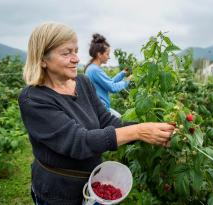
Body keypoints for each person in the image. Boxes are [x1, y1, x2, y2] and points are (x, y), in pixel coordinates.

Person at [18, 22, 175, 205]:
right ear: (42, 59)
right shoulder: (33, 99)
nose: (76, 58)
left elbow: (106, 120)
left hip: (93, 183)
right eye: (66, 52)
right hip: (58, 194)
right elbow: (79, 142)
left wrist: (153, 130)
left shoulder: (83, 83)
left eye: (75, 51)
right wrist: (138, 131)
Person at [84, 34, 130, 114]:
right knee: (121, 120)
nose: (109, 57)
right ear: (99, 54)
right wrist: (126, 81)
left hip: (98, 109)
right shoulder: (95, 70)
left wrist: (122, 73)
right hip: (101, 111)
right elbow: (112, 87)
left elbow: (109, 82)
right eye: (107, 54)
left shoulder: (92, 68)